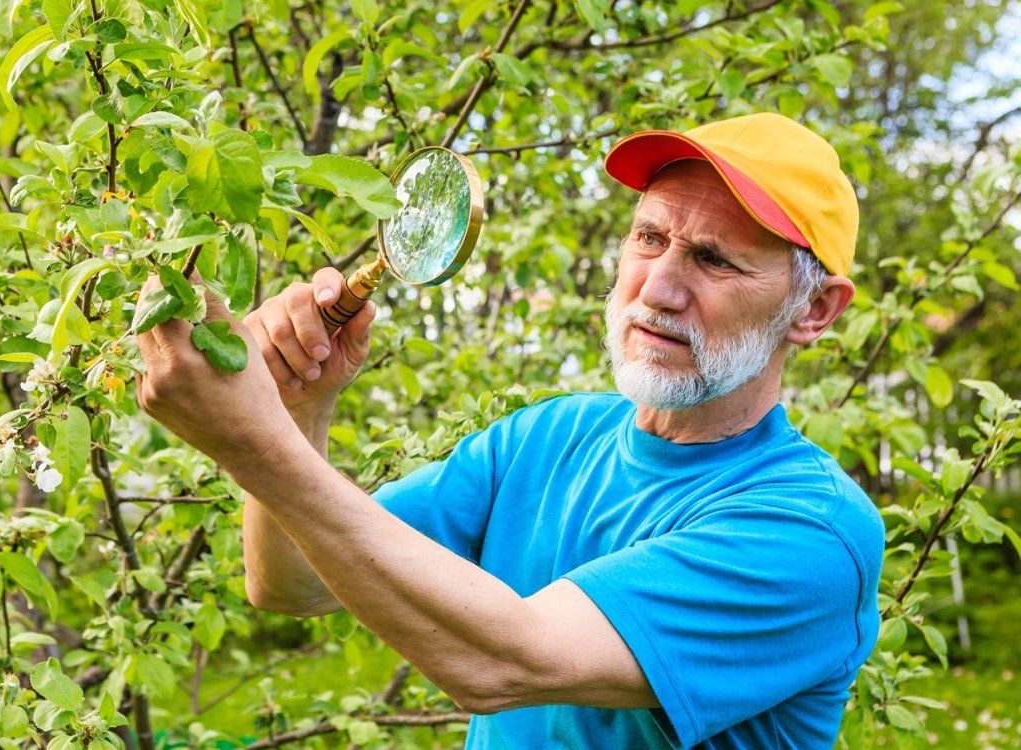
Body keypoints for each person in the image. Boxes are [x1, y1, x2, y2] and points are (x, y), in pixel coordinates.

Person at [134, 112, 886, 749]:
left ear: (814, 311)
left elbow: (502, 663)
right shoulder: (549, 435)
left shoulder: (813, 533)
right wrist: (300, 411)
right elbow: (290, 584)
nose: (658, 289)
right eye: (649, 238)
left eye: (714, 260)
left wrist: (255, 443)